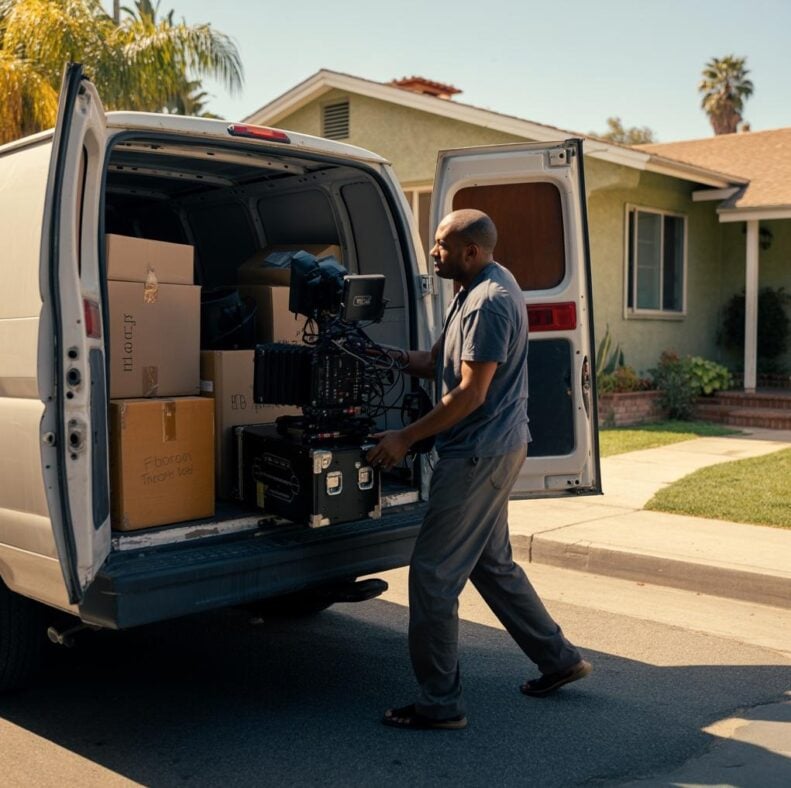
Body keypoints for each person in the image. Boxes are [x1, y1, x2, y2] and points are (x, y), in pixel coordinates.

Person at [366, 209, 591, 731]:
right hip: (496, 448)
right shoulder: (484, 285)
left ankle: (440, 702)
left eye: (442, 244)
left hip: (476, 455)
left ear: (471, 250)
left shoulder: (488, 302)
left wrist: (405, 437)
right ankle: (559, 660)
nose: (433, 252)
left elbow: (470, 393)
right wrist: (385, 357)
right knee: (492, 564)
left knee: (433, 575)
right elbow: (440, 363)